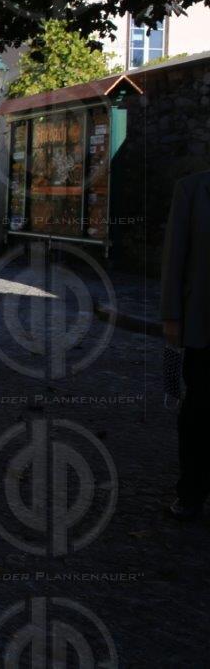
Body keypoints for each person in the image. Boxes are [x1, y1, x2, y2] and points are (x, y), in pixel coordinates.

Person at [160, 169, 210, 521]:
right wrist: (172, 317)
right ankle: (192, 491)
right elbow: (175, 256)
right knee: (198, 413)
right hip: (203, 323)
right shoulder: (192, 189)